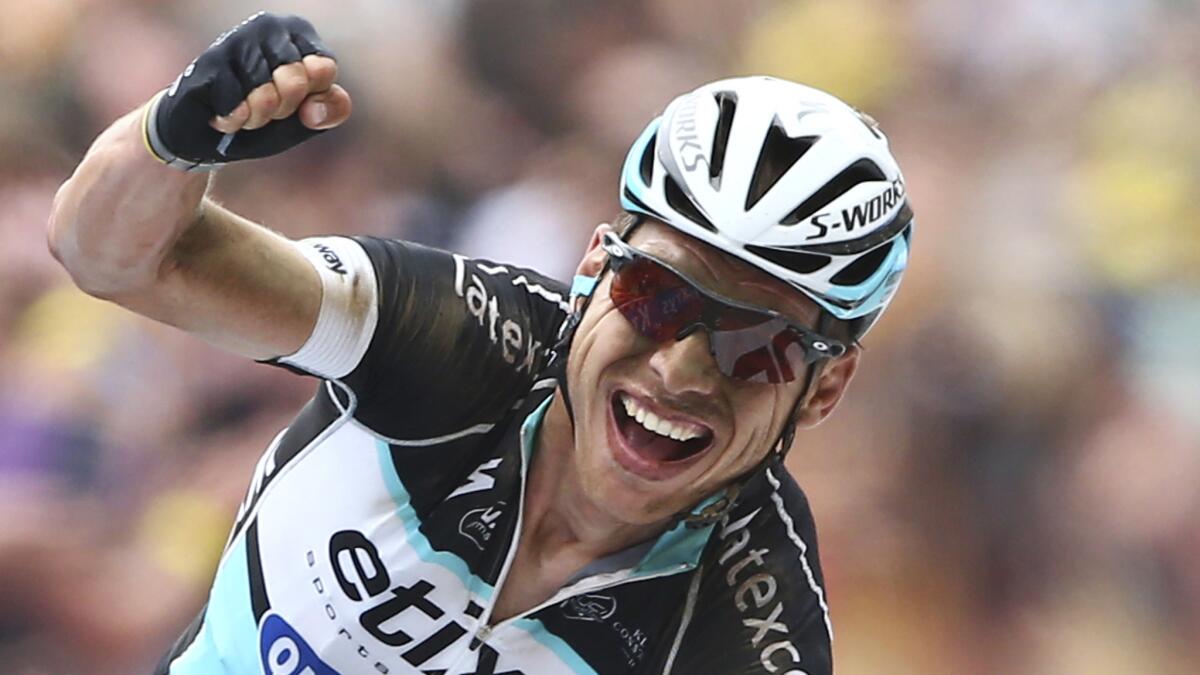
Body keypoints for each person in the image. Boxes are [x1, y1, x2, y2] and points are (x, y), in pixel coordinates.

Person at [48, 13, 912, 675]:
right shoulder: (459, 336)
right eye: (655, 296)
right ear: (592, 266)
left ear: (825, 387)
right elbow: (116, 258)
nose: (678, 367)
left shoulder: (749, 630)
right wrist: (174, 139)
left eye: (754, 345)